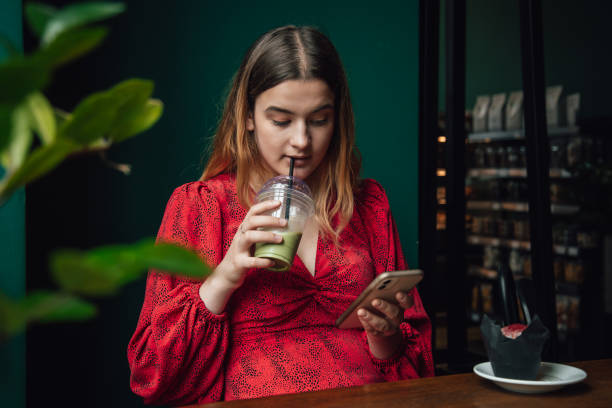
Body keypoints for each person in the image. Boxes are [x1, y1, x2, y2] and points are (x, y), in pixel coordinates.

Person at [127, 25, 434, 406]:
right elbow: (152, 373)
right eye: (281, 120)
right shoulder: (201, 206)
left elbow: (418, 372)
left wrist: (384, 335)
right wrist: (224, 276)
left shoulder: (368, 205)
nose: (302, 141)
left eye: (319, 120)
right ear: (249, 116)